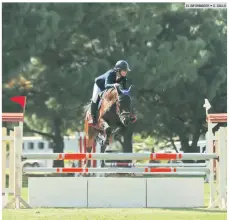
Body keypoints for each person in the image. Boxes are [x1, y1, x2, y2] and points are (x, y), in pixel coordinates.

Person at [88, 60, 131, 126]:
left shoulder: (123, 77)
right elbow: (106, 85)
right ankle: (92, 117)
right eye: (124, 70)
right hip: (99, 85)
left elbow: (124, 89)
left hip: (109, 88)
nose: (126, 72)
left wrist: (126, 94)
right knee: (94, 98)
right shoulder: (111, 73)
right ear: (118, 70)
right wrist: (114, 85)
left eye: (126, 70)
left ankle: (126, 114)